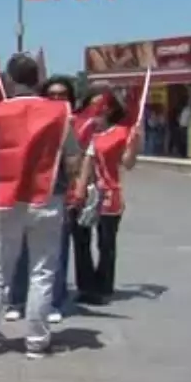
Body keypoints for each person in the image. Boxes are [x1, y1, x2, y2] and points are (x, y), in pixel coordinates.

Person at [0, 54, 83, 360]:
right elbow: (73, 157)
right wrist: (71, 185)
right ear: (38, 77)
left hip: (7, 199)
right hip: (47, 198)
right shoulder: (60, 112)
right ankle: (37, 340)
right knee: (42, 272)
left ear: (10, 79)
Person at [6, 76, 79, 324]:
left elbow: (78, 159)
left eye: (63, 95)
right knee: (20, 250)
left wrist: (76, 185)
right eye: (53, 95)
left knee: (54, 254)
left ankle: (53, 302)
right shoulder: (32, 120)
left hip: (56, 192)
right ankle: (17, 299)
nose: (58, 99)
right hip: (24, 192)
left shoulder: (73, 123)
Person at [71, 95, 142, 304]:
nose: (96, 116)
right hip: (92, 193)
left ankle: (103, 286)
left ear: (109, 112)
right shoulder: (93, 135)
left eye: (100, 111)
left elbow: (127, 163)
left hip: (111, 194)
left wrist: (135, 143)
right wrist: (80, 191)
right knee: (82, 238)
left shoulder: (121, 133)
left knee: (106, 242)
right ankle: (86, 285)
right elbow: (88, 163)